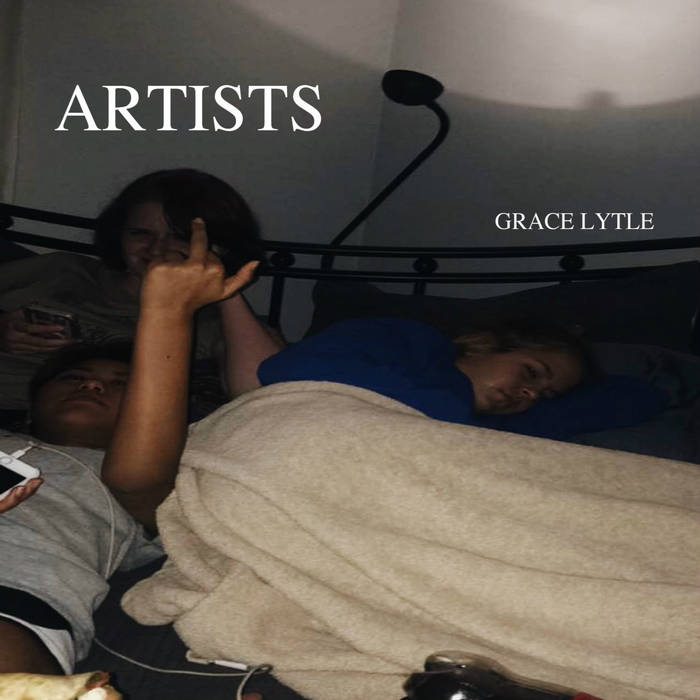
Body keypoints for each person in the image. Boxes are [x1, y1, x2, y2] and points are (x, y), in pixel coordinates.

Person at [0, 219, 261, 700]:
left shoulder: (139, 478)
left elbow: (138, 475)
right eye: (73, 376)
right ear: (32, 405)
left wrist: (167, 311)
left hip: (12, 597)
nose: (91, 383)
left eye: (121, 384)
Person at [0, 168, 283, 414]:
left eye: (180, 237)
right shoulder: (63, 270)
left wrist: (225, 285)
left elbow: (267, 392)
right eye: (140, 234)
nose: (157, 249)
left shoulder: (217, 322)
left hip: (91, 436)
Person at [257, 316, 667, 440]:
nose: (528, 393)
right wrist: (449, 407)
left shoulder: (512, 422)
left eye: (543, 394)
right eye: (531, 372)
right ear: (483, 345)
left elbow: (637, 396)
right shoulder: (408, 342)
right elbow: (285, 369)